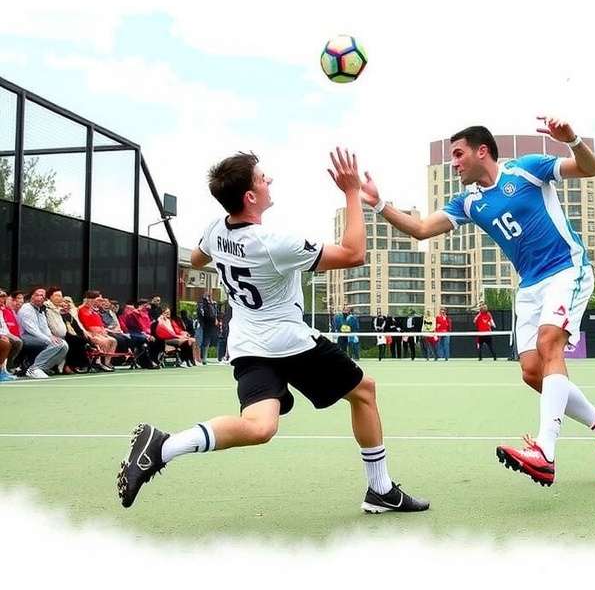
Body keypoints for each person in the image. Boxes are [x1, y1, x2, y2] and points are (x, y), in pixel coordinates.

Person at [117, 148, 428, 513]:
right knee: (364, 391)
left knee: (260, 427)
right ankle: (381, 490)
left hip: (248, 344)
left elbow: (199, 257)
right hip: (289, 342)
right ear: (250, 197)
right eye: (263, 178)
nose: (269, 181)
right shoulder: (274, 243)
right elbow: (353, 253)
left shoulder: (216, 230)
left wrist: (222, 253)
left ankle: (162, 446)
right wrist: (350, 192)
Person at [358, 117, 595, 486]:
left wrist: (572, 140)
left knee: (549, 342)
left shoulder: (527, 169)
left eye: (458, 155)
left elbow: (590, 169)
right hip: (530, 286)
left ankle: (545, 450)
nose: (453, 163)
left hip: (567, 269)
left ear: (481, 151)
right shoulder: (469, 202)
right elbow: (421, 229)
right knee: (533, 372)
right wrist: (379, 205)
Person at [17, 286, 69, 378]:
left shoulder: (40, 310)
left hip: (37, 337)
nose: (40, 297)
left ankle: (42, 368)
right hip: (25, 336)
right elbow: (32, 329)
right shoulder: (26, 308)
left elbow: (44, 327)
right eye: (37, 295)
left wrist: (51, 336)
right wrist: (48, 339)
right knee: (56, 344)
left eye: (42, 296)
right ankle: (34, 369)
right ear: (32, 296)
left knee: (63, 345)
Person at [196, 293, 218, 365]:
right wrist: (202, 323)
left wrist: (215, 319)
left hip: (210, 326)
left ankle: (203, 358)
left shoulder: (212, 305)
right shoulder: (201, 305)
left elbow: (214, 314)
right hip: (204, 325)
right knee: (201, 342)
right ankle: (200, 358)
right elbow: (201, 315)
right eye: (208, 298)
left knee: (207, 341)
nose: (209, 299)